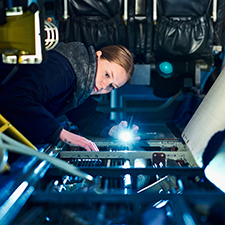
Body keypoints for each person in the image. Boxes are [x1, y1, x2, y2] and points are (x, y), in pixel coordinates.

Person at [0, 42, 139, 152]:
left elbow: (87, 117)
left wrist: (112, 129)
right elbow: (16, 98)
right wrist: (59, 133)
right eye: (107, 74)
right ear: (97, 56)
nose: (104, 86)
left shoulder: (81, 82)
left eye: (112, 86)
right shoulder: (62, 71)